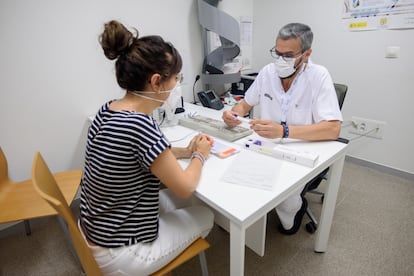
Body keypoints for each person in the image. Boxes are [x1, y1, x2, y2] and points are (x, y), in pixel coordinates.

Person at [79, 20, 214, 275]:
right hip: (121, 252)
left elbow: (142, 154)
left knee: (168, 199)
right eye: (176, 78)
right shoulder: (141, 126)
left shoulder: (108, 110)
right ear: (156, 82)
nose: (177, 85)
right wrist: (199, 155)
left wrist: (184, 152)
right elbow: (185, 188)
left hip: (94, 229)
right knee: (204, 214)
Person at [222, 23, 342, 235]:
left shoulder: (319, 76)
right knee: (232, 172)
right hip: (264, 145)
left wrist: (285, 131)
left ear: (307, 54)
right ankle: (240, 221)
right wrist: (233, 114)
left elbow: (333, 129)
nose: (280, 61)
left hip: (301, 150)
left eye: (288, 55)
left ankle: (296, 210)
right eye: (277, 53)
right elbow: (244, 105)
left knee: (285, 197)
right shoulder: (268, 72)